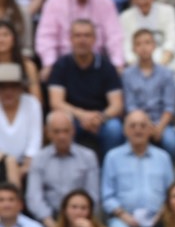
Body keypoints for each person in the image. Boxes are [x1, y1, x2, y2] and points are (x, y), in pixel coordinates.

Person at [100, 110, 175, 227]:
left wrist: (160, 216)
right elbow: (107, 196)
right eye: (132, 126)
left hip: (158, 217)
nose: (138, 130)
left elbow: (172, 194)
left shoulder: (163, 158)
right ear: (125, 131)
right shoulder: (112, 157)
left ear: (150, 129)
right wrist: (124, 216)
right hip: (123, 218)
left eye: (143, 125)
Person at [46, 19, 123, 158]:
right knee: (61, 125)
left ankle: (106, 171)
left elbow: (117, 104)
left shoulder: (106, 66)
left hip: (100, 119)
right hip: (72, 118)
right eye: (78, 36)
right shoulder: (61, 65)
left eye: (87, 35)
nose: (82, 40)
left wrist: (100, 118)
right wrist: (82, 115)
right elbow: (56, 102)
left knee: (115, 129)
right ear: (70, 39)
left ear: (94, 39)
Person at [35, 0, 124, 77]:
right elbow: (46, 38)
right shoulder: (54, 2)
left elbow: (114, 37)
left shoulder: (106, 2)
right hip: (63, 64)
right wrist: (49, 63)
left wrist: (117, 64)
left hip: (97, 64)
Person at [26, 111, 100, 227]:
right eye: (56, 131)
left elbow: (93, 195)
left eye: (66, 131)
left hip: (82, 217)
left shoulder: (88, 157)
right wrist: (50, 223)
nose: (62, 136)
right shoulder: (39, 158)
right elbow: (34, 197)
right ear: (48, 133)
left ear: (73, 131)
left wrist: (79, 220)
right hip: (49, 219)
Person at [121, 29, 175, 161]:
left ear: (154, 46)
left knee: (172, 142)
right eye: (139, 44)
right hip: (136, 122)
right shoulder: (127, 75)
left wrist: (159, 127)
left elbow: (169, 106)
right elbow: (130, 106)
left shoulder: (166, 74)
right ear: (133, 48)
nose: (143, 48)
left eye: (147, 43)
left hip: (162, 123)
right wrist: (145, 126)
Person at [119, 0, 175, 73]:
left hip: (167, 62)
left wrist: (160, 66)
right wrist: (141, 69)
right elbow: (126, 47)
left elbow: (173, 40)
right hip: (137, 67)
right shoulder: (125, 17)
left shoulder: (168, 11)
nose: (141, 1)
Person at [0, 61, 42, 178]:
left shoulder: (32, 104)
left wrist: (26, 166)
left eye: (13, 86)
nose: (8, 92)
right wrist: (9, 163)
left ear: (20, 88)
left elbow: (35, 140)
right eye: (3, 87)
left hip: (29, 165)